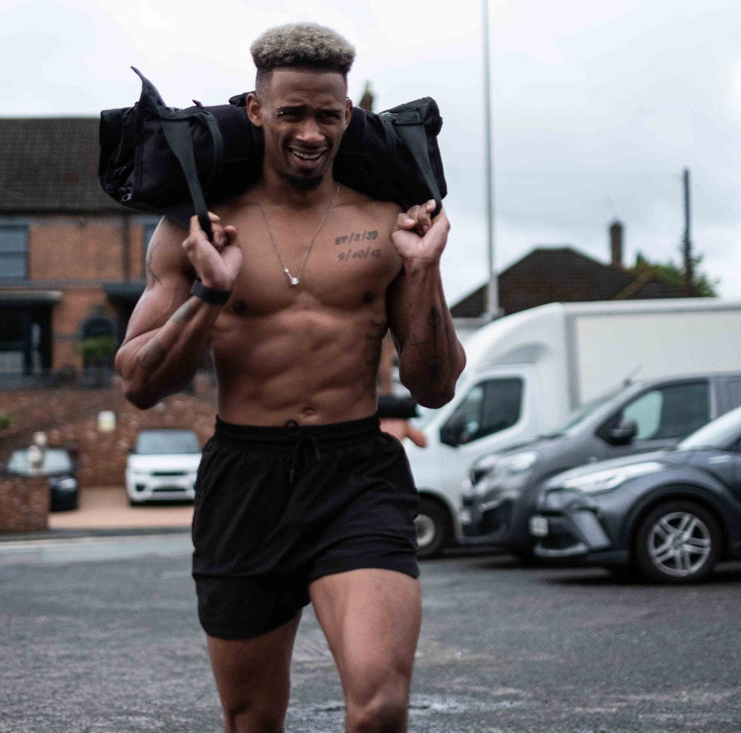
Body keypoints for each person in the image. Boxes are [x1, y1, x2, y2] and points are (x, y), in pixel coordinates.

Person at [115, 22, 465, 732]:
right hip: (246, 475)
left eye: (328, 116)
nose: (311, 133)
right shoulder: (199, 224)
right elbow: (139, 381)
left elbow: (434, 385)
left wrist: (423, 272)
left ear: (349, 116)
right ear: (255, 110)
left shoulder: (389, 222)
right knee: (252, 719)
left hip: (356, 472)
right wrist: (208, 296)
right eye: (293, 114)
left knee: (380, 704)